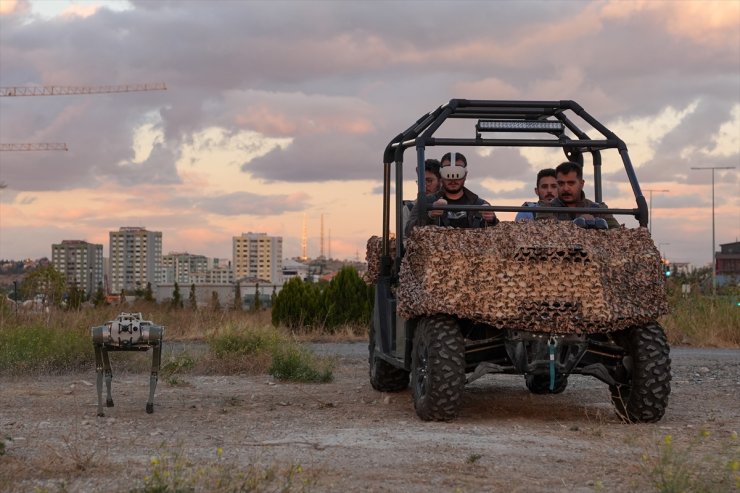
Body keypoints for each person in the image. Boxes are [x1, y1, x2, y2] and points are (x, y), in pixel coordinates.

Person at [405, 151, 498, 235]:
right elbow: (408, 231)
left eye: (458, 176)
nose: (453, 180)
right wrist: (430, 216)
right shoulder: (426, 202)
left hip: (473, 253)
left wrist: (492, 221)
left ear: (465, 175)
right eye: (448, 176)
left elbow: (500, 236)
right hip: (435, 253)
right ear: (441, 175)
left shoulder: (480, 205)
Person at [536, 161, 620, 228]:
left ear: (581, 184)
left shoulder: (599, 209)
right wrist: (578, 222)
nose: (565, 188)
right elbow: (546, 230)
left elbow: (618, 233)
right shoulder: (546, 208)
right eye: (561, 183)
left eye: (571, 183)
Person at [401, 159, 442, 231]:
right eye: (421, 181)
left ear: (440, 182)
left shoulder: (450, 205)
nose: (424, 186)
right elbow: (404, 239)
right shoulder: (408, 209)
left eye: (429, 181)